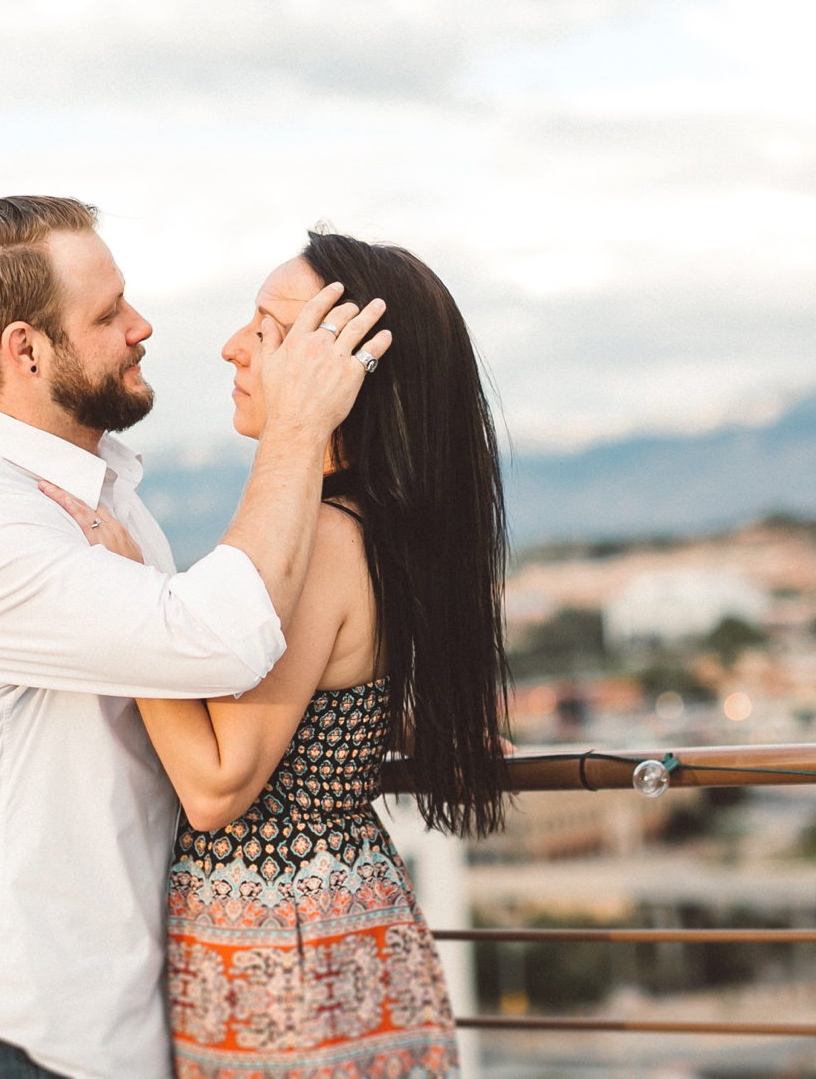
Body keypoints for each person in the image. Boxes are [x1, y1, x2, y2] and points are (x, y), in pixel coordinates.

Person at [0, 197, 391, 1079]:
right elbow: (221, 643)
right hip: (41, 1038)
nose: (141, 325)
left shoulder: (108, 500)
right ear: (27, 350)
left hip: (134, 1024)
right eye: (109, 312)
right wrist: (300, 424)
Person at [43, 230, 509, 1078]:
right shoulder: (375, 525)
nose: (232, 345)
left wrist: (124, 600)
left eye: (267, 328)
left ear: (347, 367)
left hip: (279, 946)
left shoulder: (325, 538)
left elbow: (219, 782)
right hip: (338, 920)